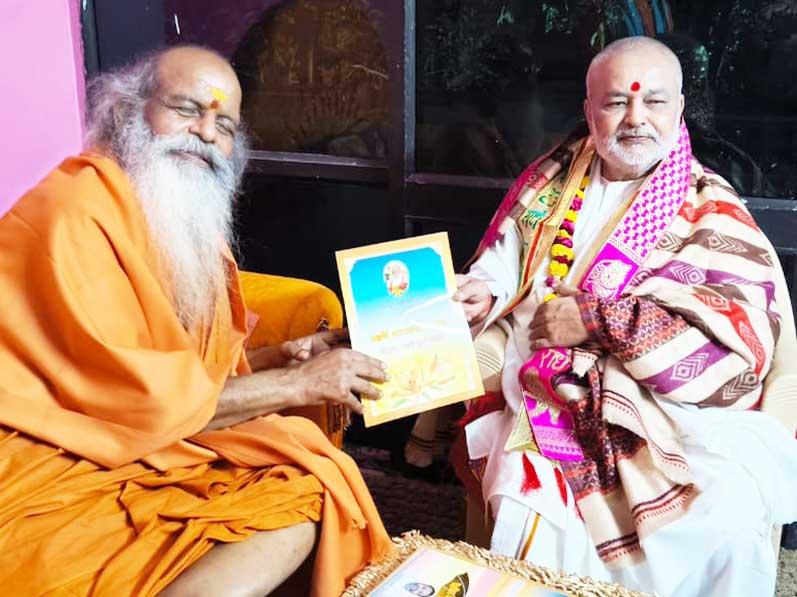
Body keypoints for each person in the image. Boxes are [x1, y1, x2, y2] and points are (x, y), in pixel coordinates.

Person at [0, 45, 392, 596]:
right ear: (126, 112)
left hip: (149, 438)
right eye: (187, 109)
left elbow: (187, 380)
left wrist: (282, 357)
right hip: (51, 453)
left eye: (224, 123)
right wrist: (297, 384)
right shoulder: (71, 212)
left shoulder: (185, 228)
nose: (206, 133)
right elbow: (129, 399)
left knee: (307, 486)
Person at [452, 36, 797, 596]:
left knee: (729, 514)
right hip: (549, 383)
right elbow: (504, 262)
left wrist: (597, 321)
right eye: (616, 102)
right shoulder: (552, 178)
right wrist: (485, 295)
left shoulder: (712, 204)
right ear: (589, 112)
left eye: (654, 102)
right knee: (527, 500)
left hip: (675, 410)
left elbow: (746, 330)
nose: (636, 119)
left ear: (679, 109)